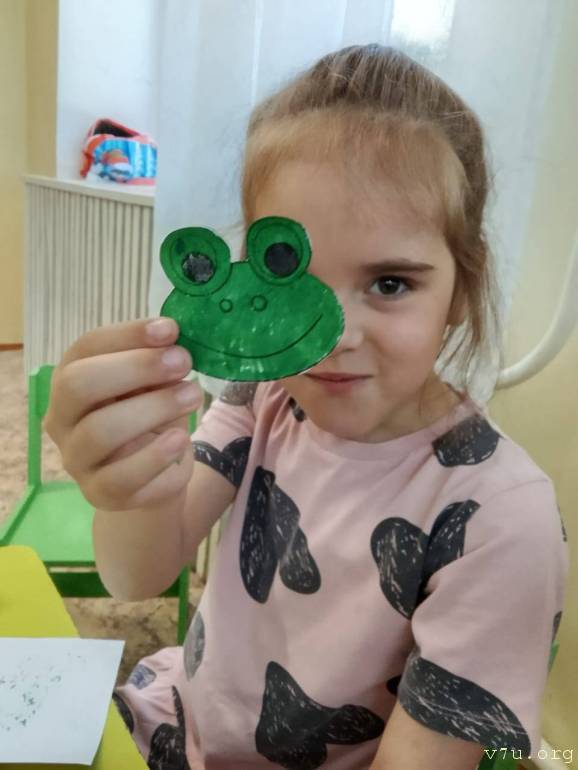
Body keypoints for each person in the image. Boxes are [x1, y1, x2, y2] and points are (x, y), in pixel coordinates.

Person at [45, 45, 569, 770]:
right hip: (173, 719)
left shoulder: (499, 519)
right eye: (292, 276)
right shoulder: (264, 396)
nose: (335, 337)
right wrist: (131, 482)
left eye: (390, 283)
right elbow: (137, 576)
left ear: (462, 286)